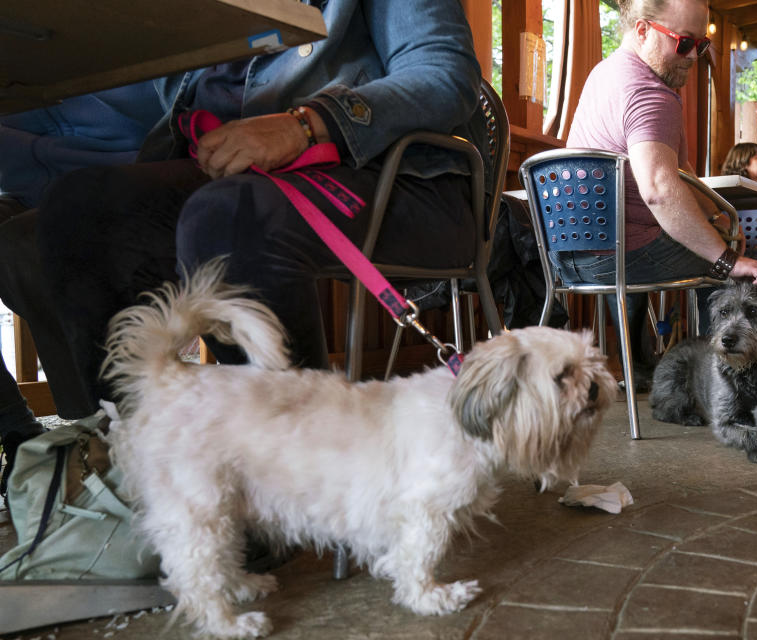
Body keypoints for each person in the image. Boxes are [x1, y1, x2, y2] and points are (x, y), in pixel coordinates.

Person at [35, 0, 483, 411]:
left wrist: (305, 126)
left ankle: (304, 453)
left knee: (227, 217)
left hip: (397, 178)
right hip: (226, 178)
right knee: (76, 208)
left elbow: (444, 76)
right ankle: (120, 449)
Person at [563, 0, 757, 387]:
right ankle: (725, 383)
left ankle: (641, 366)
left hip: (567, 255)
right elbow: (660, 191)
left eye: (702, 45)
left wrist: (717, 215)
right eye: (683, 43)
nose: (693, 56)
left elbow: (681, 176)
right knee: (739, 264)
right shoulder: (650, 92)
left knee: (714, 236)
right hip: (621, 258)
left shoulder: (604, 73)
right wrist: (728, 259)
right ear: (642, 30)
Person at [0, 83, 164, 501]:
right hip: (20, 188)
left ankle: (107, 451)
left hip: (135, 170)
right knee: (27, 237)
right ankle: (16, 430)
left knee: (30, 243)